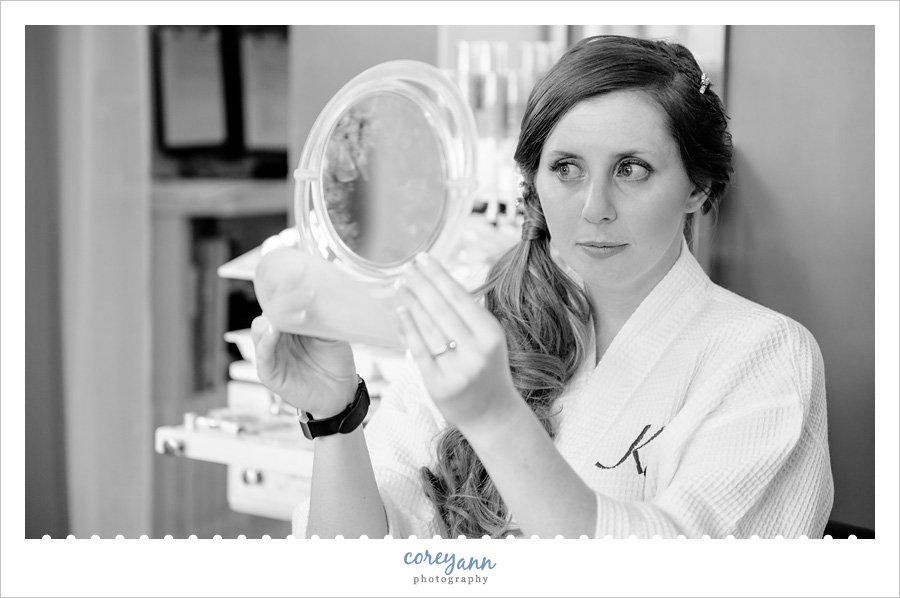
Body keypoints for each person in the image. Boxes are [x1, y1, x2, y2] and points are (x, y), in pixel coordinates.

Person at [251, 34, 833, 539]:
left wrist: (496, 419)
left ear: (697, 189)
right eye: (567, 168)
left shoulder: (765, 356)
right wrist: (334, 419)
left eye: (632, 169)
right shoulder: (477, 330)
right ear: (535, 183)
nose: (595, 207)